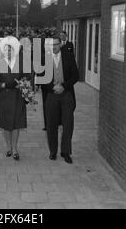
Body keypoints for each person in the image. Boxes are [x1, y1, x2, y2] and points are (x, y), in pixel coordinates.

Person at [0, 36, 32, 161]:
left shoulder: (22, 63)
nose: (8, 52)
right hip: (5, 97)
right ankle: (8, 147)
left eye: (10, 50)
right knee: (6, 124)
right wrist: (3, 85)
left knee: (16, 124)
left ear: (14, 50)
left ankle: (14, 148)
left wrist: (22, 84)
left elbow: (28, 76)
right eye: (6, 50)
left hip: (18, 97)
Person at [44, 36, 79, 164]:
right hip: (52, 94)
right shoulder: (45, 59)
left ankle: (66, 152)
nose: (54, 47)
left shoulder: (68, 57)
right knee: (51, 124)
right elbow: (41, 77)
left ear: (60, 44)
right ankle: (53, 151)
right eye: (51, 45)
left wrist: (63, 86)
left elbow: (76, 76)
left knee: (68, 124)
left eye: (56, 44)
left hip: (67, 94)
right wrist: (53, 87)